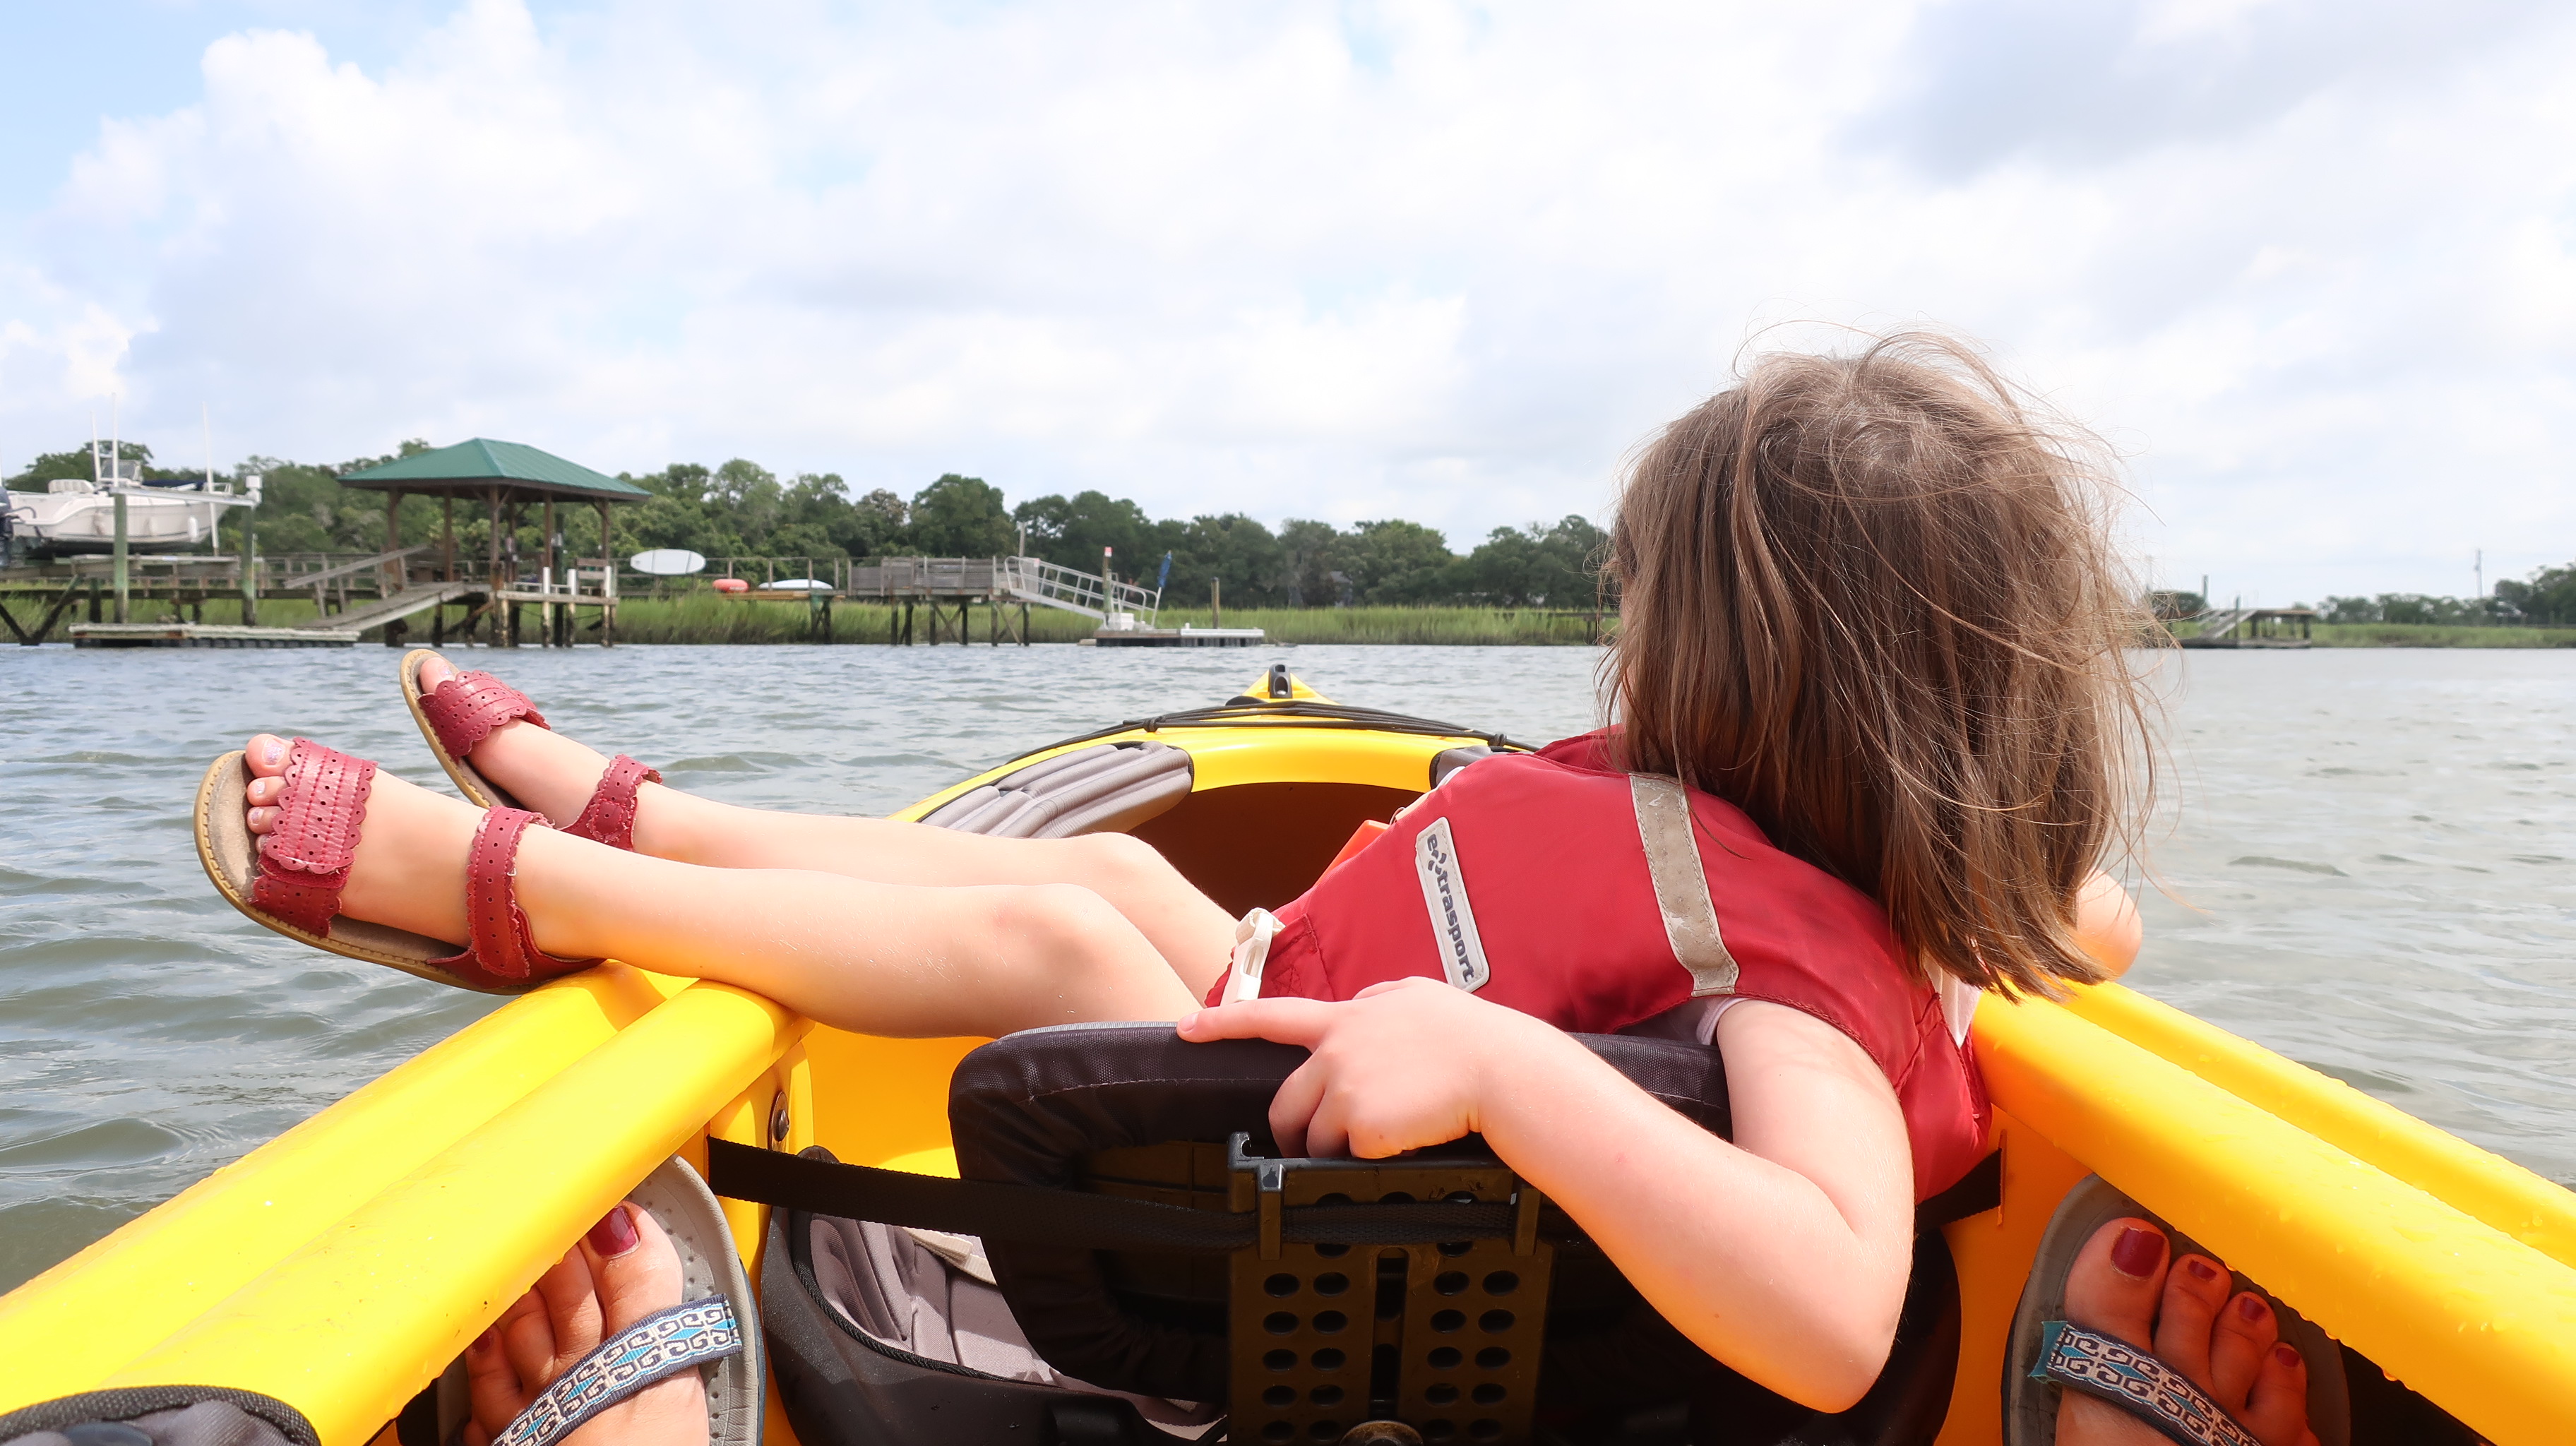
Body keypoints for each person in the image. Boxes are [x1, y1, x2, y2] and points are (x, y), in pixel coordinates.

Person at [212, 335, 2314, 1446]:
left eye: (1644, 605)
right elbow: (2082, 918)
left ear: (1761, 671)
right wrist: (2011, 907)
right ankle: (631, 817)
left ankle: (539, 893)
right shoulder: (1848, 871)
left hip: (1276, 1181)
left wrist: (1498, 1063)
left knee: (1058, 922)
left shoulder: (1794, 979)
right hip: (1275, 973)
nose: (1622, 643)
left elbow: (1839, 1318)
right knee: (1106, 870)